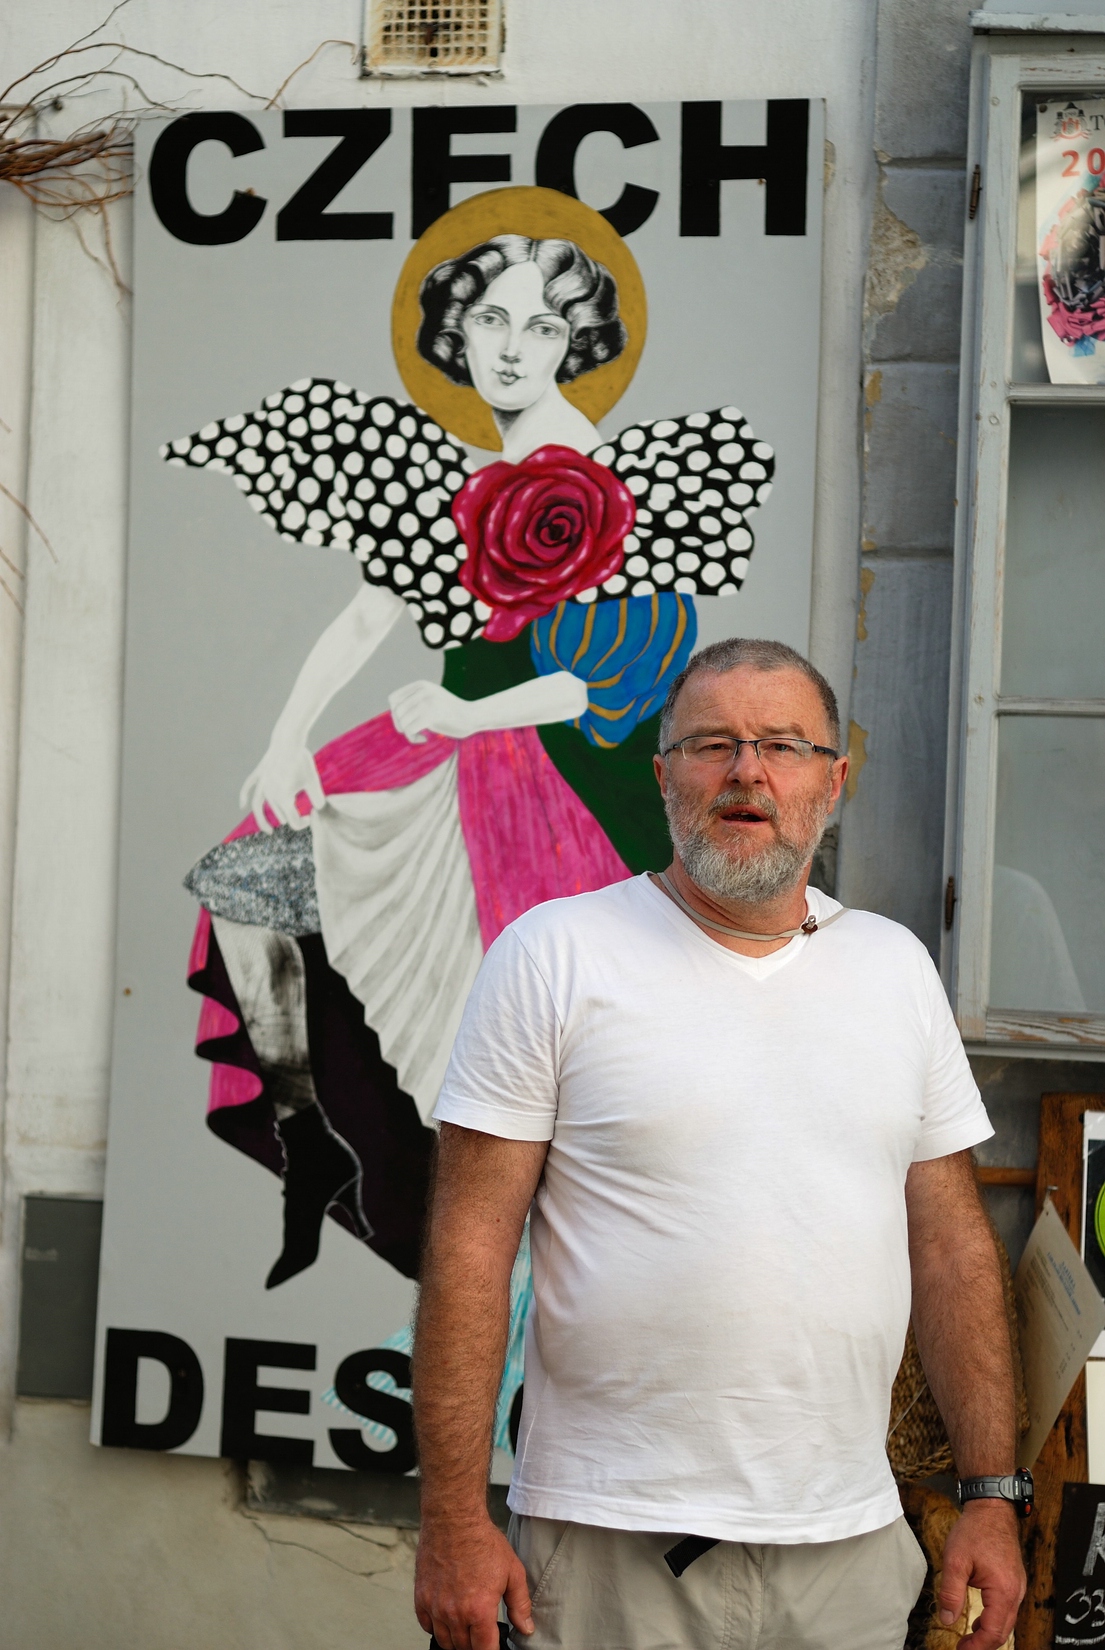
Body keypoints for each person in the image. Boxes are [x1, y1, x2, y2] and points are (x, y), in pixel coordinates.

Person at [169, 198, 774, 1320]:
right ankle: (309, 1135)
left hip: (554, 789)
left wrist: (467, 716)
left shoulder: (627, 484)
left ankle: (535, 1287)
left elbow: (611, 681)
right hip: (436, 750)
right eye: (488, 318)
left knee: (509, 1048)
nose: (508, 347)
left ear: (577, 341)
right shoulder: (448, 483)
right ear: (454, 332)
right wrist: (286, 735)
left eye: (539, 326)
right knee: (244, 877)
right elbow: (368, 614)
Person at [413, 637, 1025, 1650]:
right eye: (712, 745)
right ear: (663, 777)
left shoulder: (894, 970)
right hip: (609, 1545)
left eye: (783, 745)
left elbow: (952, 1245)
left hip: (847, 1551)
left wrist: (993, 1496)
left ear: (833, 780)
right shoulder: (555, 955)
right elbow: (470, 1245)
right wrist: (450, 1520)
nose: (747, 770)